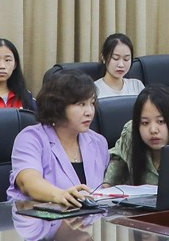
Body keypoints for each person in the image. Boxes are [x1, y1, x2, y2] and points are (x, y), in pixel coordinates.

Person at [9, 68, 107, 206]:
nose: (90, 112)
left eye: (92, 103)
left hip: (88, 218)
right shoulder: (31, 138)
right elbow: (28, 182)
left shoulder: (98, 142)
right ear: (58, 106)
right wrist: (60, 195)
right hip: (35, 217)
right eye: (81, 104)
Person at [95, 32, 144, 100]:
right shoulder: (94, 89)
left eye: (126, 59)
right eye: (115, 58)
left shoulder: (137, 85)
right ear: (103, 58)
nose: (121, 65)